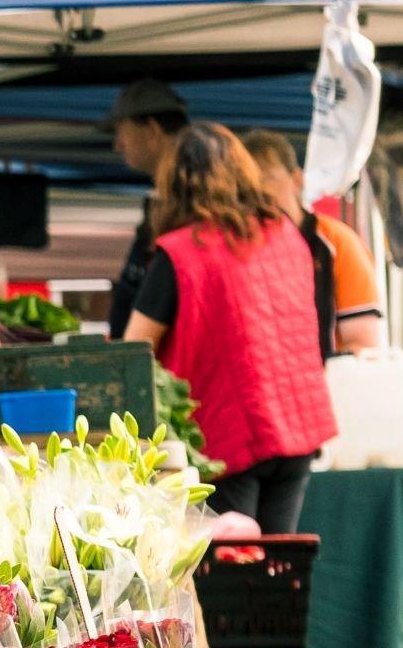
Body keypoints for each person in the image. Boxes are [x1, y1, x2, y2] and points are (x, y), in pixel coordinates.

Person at [124, 123, 337, 535]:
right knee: (277, 570)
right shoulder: (286, 235)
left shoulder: (182, 253)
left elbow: (132, 353)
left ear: (176, 185)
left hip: (228, 435)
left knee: (230, 575)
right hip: (296, 428)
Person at [238, 128, 388, 354]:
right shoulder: (237, 246)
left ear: (296, 179)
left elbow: (361, 343)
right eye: (249, 183)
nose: (260, 191)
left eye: (268, 178)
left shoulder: (338, 243)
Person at [105, 80, 190, 335]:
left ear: (151, 129)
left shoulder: (192, 204)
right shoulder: (166, 200)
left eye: (121, 131)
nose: (117, 145)